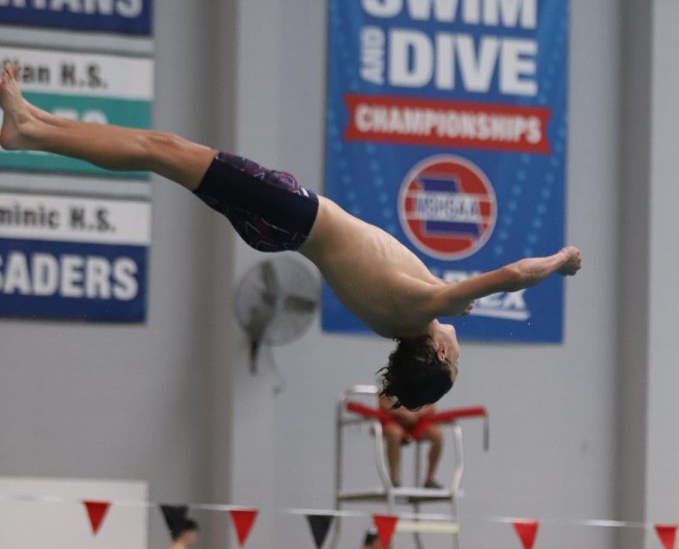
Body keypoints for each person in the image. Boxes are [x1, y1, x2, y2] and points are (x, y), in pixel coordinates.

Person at [0, 61, 582, 409]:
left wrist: (560, 260)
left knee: (163, 150)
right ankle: (32, 124)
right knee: (163, 155)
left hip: (294, 215)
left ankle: (29, 129)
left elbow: (510, 275)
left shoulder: (424, 304)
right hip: (280, 233)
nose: (459, 350)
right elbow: (415, 292)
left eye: (454, 361)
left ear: (433, 351)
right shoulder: (401, 317)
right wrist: (457, 305)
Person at [379, 395, 443, 488]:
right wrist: (401, 413)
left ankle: (429, 479)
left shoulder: (424, 383)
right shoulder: (389, 383)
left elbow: (431, 404)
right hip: (393, 419)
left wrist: (416, 414)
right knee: (394, 433)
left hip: (417, 421)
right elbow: (381, 402)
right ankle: (393, 480)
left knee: (437, 435)